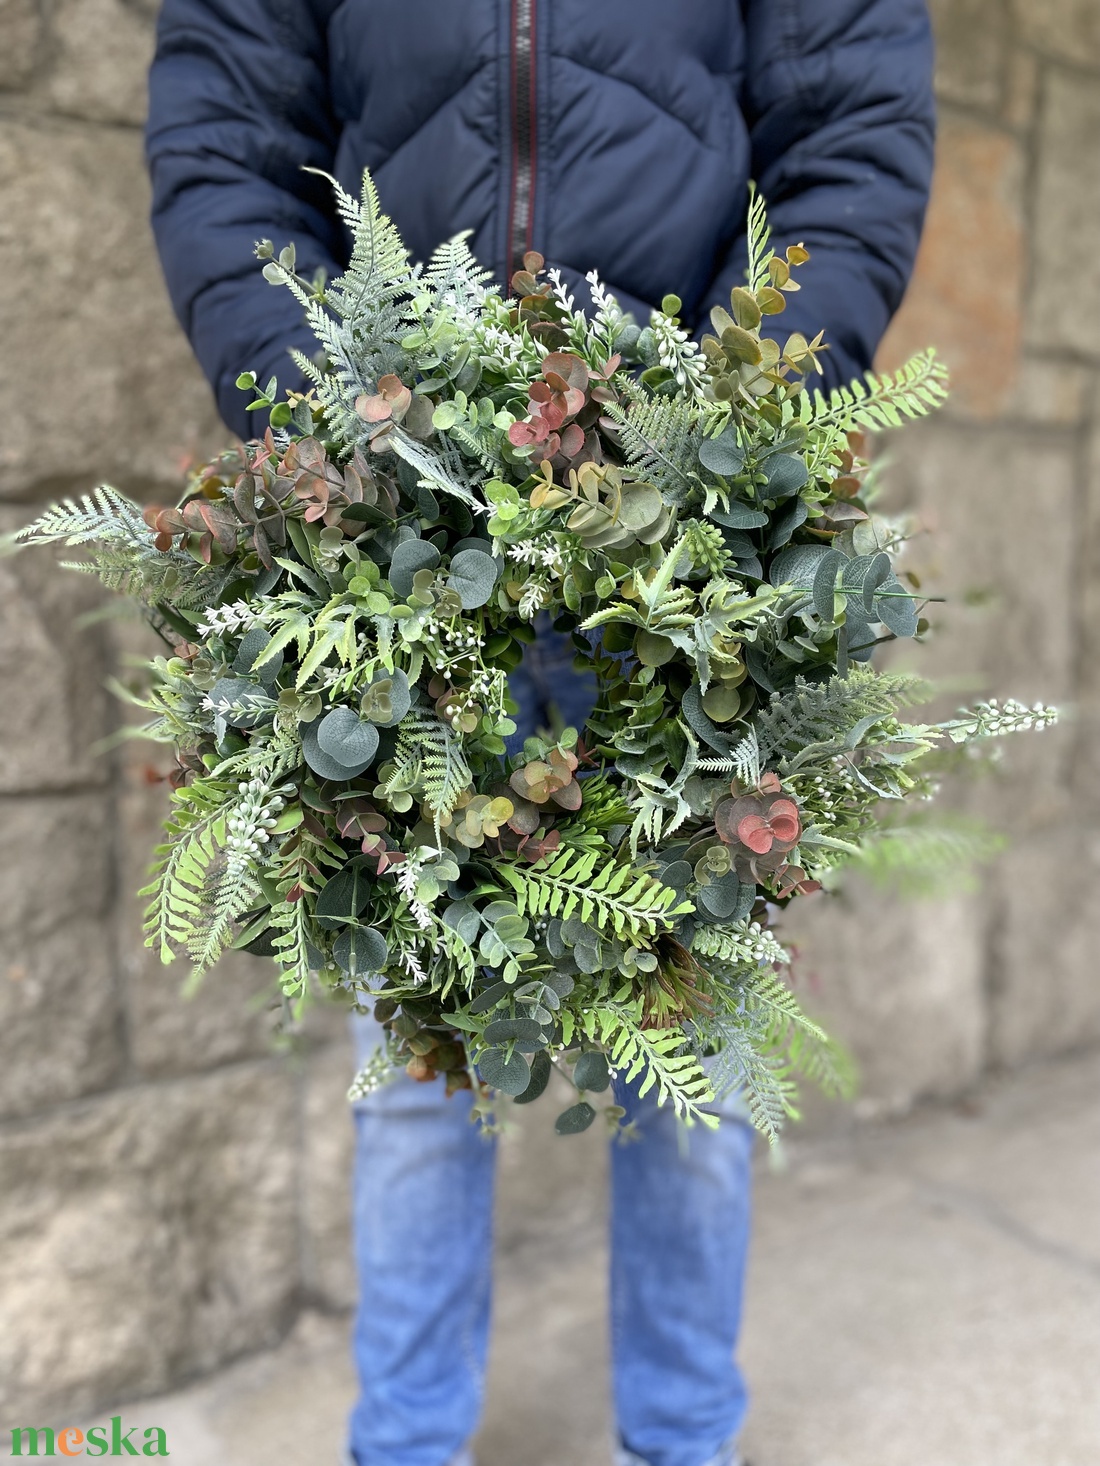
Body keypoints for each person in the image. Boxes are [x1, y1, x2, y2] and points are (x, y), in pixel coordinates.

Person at [146, 5, 934, 1464]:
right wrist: (332, 412)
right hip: (402, 518)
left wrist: (738, 421)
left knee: (689, 1040)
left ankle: (685, 1440)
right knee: (423, 1048)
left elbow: (855, 125)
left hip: (683, 512)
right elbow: (226, 134)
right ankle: (407, 1443)